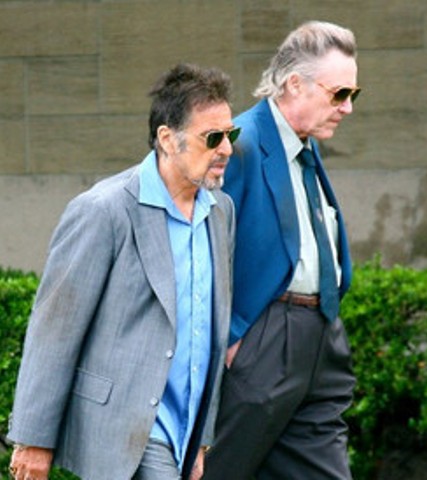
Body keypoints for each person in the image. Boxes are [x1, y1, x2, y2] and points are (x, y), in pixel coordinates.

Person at [7, 63, 239, 480]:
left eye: (230, 135)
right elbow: (55, 329)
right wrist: (33, 440)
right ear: (167, 139)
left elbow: (210, 329)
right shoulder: (104, 210)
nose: (226, 149)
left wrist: (200, 439)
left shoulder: (221, 211)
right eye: (212, 138)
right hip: (123, 429)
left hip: (183, 433)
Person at [203, 21, 360, 480]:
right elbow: (201, 247)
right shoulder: (239, 143)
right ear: (294, 84)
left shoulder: (304, 145)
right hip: (264, 342)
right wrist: (232, 338)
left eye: (353, 94)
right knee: (216, 471)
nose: (347, 107)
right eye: (339, 93)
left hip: (321, 337)